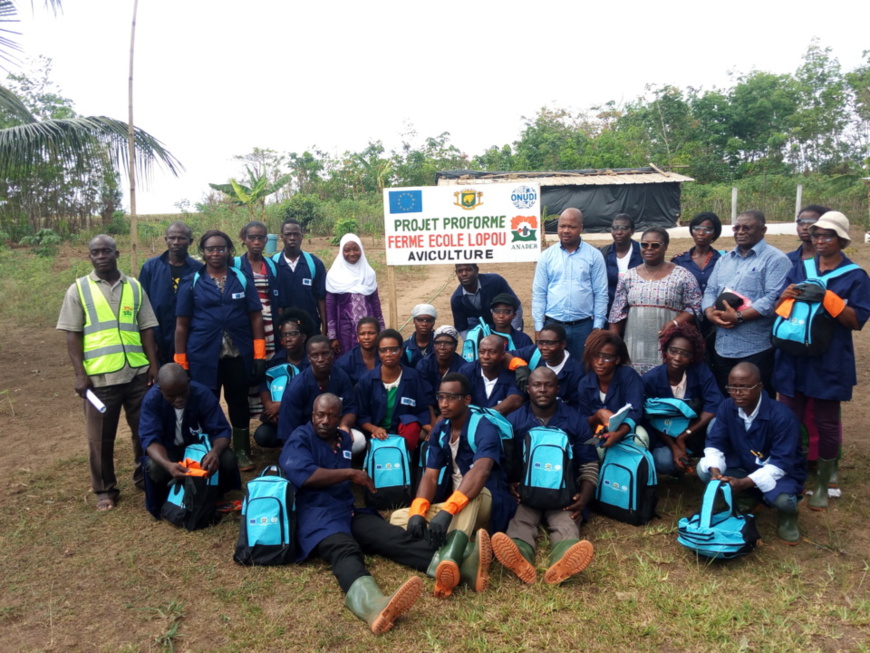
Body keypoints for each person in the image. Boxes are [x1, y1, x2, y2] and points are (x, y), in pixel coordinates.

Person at [280, 394, 431, 635]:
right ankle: (373, 607)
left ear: (339, 418)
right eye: (320, 414)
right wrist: (350, 474)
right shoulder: (299, 439)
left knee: (388, 535)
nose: (325, 420)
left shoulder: (343, 439)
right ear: (312, 415)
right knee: (344, 549)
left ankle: (443, 562)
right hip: (315, 516)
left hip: (346, 510)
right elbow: (306, 476)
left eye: (331, 415)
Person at [773, 211, 870, 510]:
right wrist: (786, 296)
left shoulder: (855, 276)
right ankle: (793, 473)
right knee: (789, 418)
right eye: (816, 235)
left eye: (827, 235)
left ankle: (826, 482)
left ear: (841, 240)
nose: (819, 240)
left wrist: (828, 298)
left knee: (826, 422)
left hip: (828, 360)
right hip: (792, 356)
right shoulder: (800, 267)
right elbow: (779, 309)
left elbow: (856, 321)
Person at [57, 234, 160, 511]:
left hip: (137, 374)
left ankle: (145, 476)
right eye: (95, 252)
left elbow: (147, 328)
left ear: (117, 253)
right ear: (89, 257)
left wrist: (154, 364)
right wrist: (80, 374)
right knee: (100, 437)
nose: (101, 256)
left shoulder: (135, 287)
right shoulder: (78, 289)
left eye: (106, 251)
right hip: (101, 378)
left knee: (144, 431)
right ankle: (105, 489)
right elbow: (72, 335)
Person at [391, 373, 514, 598]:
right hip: (455, 508)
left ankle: (447, 561)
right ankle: (469, 550)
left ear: (466, 400)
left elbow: (480, 472)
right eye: (440, 397)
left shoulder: (483, 427)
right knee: (399, 518)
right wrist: (418, 511)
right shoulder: (441, 428)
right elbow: (430, 475)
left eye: (451, 398)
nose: (444, 404)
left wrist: (448, 510)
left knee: (470, 493)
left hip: (487, 502)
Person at [493, 368, 597, 585]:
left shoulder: (575, 420)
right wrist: (511, 484)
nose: (542, 390)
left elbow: (589, 462)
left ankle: (564, 561)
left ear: (557, 388)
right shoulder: (514, 421)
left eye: (548, 385)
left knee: (566, 526)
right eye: (537, 385)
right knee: (520, 523)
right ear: (528, 389)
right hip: (527, 493)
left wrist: (584, 497)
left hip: (564, 495)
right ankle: (520, 557)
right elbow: (505, 461)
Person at [174, 230, 266, 471]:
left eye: (221, 248)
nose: (216, 253)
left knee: (239, 402)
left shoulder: (242, 277)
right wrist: (181, 363)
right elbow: (182, 325)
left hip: (237, 354)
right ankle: (207, 449)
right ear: (202, 253)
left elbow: (256, 317)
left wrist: (259, 354)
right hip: (203, 355)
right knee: (206, 402)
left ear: (229, 251)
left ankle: (242, 450)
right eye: (210, 249)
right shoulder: (192, 281)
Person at [697, 363, 806, 543]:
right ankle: (748, 497)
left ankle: (789, 514)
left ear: (760, 387)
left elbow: (781, 463)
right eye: (733, 387)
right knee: (705, 470)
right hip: (743, 465)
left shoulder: (782, 417)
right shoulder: (727, 407)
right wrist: (716, 472)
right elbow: (715, 442)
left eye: (745, 387)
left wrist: (744, 482)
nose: (737, 393)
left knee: (784, 500)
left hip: (779, 471)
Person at [702, 209, 791, 396]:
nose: (740, 232)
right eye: (737, 227)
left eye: (747, 227)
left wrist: (739, 316)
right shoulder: (724, 259)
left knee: (757, 401)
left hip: (756, 349)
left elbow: (774, 298)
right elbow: (710, 290)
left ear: (762, 230)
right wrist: (709, 312)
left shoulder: (776, 260)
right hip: (722, 347)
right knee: (727, 401)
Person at [608, 227, 701, 374]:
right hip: (633, 350)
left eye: (655, 245)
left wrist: (674, 323)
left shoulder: (682, 275)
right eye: (644, 245)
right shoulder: (629, 276)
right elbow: (616, 313)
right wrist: (612, 347)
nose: (649, 249)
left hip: (667, 349)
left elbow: (695, 307)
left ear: (665, 247)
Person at [138, 363, 240, 497]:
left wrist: (214, 452)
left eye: (183, 393)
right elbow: (150, 440)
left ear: (188, 381)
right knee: (155, 467)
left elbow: (221, 430)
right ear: (160, 389)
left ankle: (214, 493)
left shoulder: (202, 393)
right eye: (172, 396)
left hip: (199, 450)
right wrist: (168, 464)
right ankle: (171, 495)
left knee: (227, 459)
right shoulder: (152, 400)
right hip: (169, 452)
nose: (179, 400)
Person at [642, 323, 722, 475]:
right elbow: (650, 419)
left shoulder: (701, 372)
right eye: (673, 351)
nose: (677, 358)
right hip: (666, 435)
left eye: (685, 354)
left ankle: (712, 461)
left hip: (696, 432)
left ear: (693, 357)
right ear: (665, 351)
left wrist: (684, 437)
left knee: (717, 423)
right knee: (664, 462)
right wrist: (674, 446)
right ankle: (678, 466)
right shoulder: (650, 379)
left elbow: (714, 406)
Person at [532, 208, 608, 360]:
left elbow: (601, 293)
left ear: (581, 228)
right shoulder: (546, 256)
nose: (565, 230)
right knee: (553, 371)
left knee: (583, 369)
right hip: (552, 325)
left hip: (583, 327)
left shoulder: (594, 256)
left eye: (571, 227)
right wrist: (539, 327)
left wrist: (597, 327)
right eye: (562, 226)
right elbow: (539, 293)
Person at [236, 220, 287, 418]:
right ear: (244, 240)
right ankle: (246, 421)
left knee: (268, 367)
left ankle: (269, 416)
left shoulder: (272, 266)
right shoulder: (236, 265)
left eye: (260, 238)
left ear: (266, 240)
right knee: (248, 370)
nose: (256, 242)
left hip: (270, 329)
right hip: (245, 327)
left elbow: (279, 302)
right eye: (252, 237)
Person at [356, 330, 430, 454]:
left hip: (404, 432)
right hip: (376, 433)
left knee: (415, 428)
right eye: (383, 350)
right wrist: (374, 429)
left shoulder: (412, 376)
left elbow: (422, 409)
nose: (388, 354)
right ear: (378, 352)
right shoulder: (367, 380)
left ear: (401, 351)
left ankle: (407, 461)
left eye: (393, 350)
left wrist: (430, 428)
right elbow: (362, 415)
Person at [276, 335, 358, 445]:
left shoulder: (341, 376)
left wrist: (344, 426)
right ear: (309, 358)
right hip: (307, 435)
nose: (320, 359)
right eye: (315, 355)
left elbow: (350, 407)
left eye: (325, 354)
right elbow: (289, 428)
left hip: (334, 430)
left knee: (359, 441)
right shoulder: (297, 387)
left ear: (332, 354)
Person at [138, 221, 199, 365]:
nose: (176, 242)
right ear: (166, 240)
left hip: (188, 338)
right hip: (157, 337)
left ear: (190, 241)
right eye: (172, 238)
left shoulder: (198, 269)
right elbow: (141, 305)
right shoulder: (151, 267)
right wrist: (150, 341)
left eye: (182, 238)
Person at [253, 310, 313, 449]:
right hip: (277, 416)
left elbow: (309, 392)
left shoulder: (311, 361)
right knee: (262, 435)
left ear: (303, 337)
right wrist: (269, 407)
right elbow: (264, 385)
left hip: (304, 416)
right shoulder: (277, 360)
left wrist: (281, 406)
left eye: (293, 334)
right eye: (284, 335)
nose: (288, 338)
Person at [576, 330, 644, 449]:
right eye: (595, 356)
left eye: (607, 357)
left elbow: (636, 412)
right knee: (588, 447)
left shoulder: (629, 376)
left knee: (641, 438)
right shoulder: (585, 383)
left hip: (626, 429)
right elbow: (584, 420)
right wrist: (598, 415)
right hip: (598, 432)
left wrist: (619, 433)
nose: (600, 362)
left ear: (617, 359)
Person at [325, 234, 385, 356]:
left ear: (361, 250)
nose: (352, 253)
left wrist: (382, 331)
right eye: (347, 250)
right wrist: (332, 336)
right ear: (341, 251)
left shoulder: (369, 274)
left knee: (370, 359)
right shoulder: (334, 276)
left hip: (369, 330)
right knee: (347, 361)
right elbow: (330, 306)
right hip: (344, 331)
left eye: (356, 249)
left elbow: (375, 303)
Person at [505, 323, 583, 406]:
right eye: (541, 343)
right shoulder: (534, 352)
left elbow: (577, 408)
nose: (544, 347)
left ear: (563, 344)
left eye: (550, 343)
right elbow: (503, 355)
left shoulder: (577, 372)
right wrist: (520, 365)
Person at [274, 219, 328, 334]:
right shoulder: (273, 264)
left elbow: (321, 298)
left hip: (310, 326)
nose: (292, 237)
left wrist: (324, 329)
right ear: (281, 236)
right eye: (288, 234)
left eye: (296, 234)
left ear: (302, 236)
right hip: (284, 330)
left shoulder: (314, 263)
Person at [451, 264, 523, 338]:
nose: (464, 274)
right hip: (478, 326)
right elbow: (462, 328)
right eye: (460, 271)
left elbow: (516, 307)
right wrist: (472, 344)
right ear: (456, 273)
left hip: (503, 322)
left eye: (468, 270)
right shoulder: (457, 299)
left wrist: (513, 335)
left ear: (476, 270)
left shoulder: (495, 281)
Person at [458, 335, 524, 415]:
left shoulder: (512, 373)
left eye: (492, 352)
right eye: (482, 352)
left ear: (502, 355)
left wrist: (485, 417)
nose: (486, 357)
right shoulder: (467, 371)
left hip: (502, 423)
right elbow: (455, 396)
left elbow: (515, 400)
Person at [417, 325, 467, 422]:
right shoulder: (424, 365)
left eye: (448, 343)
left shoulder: (463, 367)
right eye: (438, 343)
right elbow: (425, 396)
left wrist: (442, 417)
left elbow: (461, 398)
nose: (442, 347)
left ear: (455, 346)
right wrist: (433, 420)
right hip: (427, 410)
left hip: (454, 410)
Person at [599, 213, 642, 319]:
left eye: (624, 228)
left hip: (636, 312)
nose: (619, 232)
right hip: (609, 312)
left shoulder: (642, 251)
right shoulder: (603, 253)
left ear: (632, 231)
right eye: (615, 228)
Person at [671, 212, 723, 298]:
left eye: (707, 230)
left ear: (715, 233)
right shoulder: (679, 261)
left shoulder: (723, 260)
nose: (701, 233)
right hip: (686, 310)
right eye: (697, 229)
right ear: (692, 231)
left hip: (714, 310)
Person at [335, 317, 381, 386]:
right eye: (362, 334)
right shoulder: (344, 363)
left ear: (379, 335)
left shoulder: (386, 356)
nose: (366, 337)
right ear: (357, 337)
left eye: (371, 333)